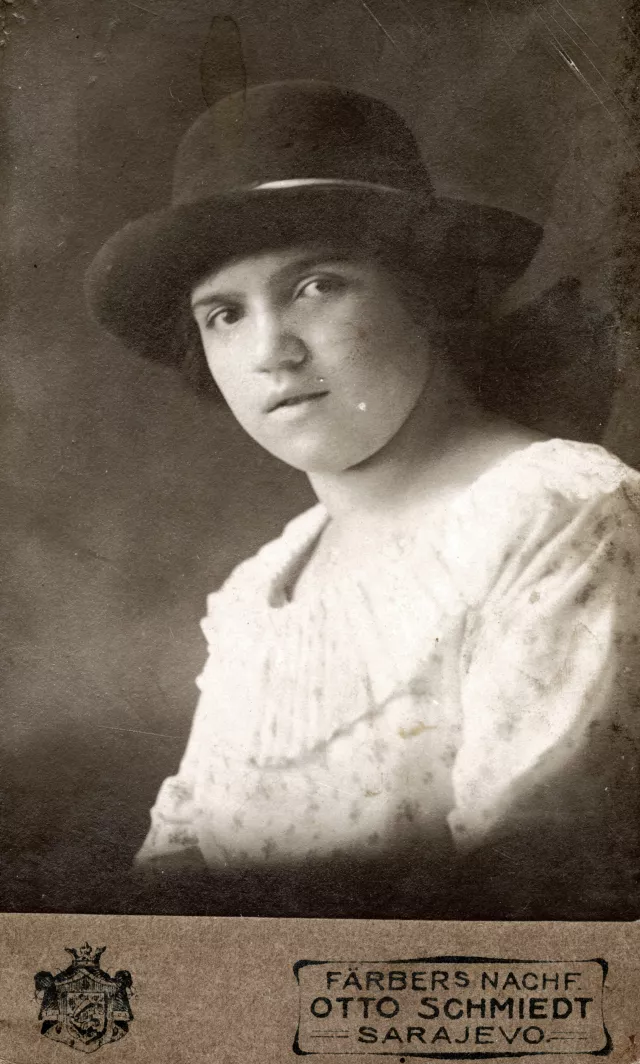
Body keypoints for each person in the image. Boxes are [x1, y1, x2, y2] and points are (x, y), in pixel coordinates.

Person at [86, 80, 640, 920]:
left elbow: (535, 900)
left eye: (317, 286)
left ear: (427, 294)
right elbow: (174, 877)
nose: (271, 351)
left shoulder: (562, 513)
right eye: (224, 314)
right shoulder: (258, 593)